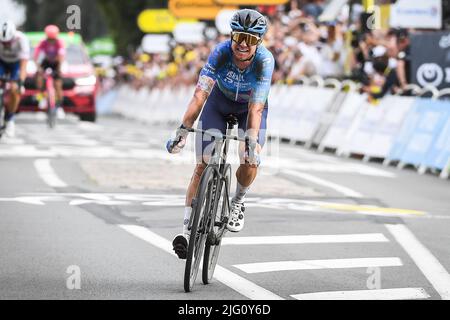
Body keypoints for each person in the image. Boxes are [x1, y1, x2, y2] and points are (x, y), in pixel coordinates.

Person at [166, 9, 275, 259]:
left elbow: (256, 107)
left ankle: (238, 201)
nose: (244, 45)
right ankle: (186, 230)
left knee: (249, 158)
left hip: (251, 108)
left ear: (259, 41)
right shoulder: (220, 52)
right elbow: (200, 94)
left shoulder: (265, 61)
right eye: (239, 37)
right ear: (231, 36)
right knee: (201, 165)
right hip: (219, 103)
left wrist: (250, 142)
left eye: (251, 39)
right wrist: (183, 129)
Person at [0, 21, 29, 137]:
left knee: (14, 89)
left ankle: (10, 118)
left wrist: (20, 82)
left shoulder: (21, 39)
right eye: (3, 42)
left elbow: (23, 65)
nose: (6, 45)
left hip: (16, 64)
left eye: (8, 42)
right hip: (1, 62)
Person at [34, 25, 66, 118]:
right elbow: (36, 55)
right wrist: (38, 68)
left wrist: (59, 69)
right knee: (39, 78)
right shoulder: (43, 42)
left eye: (53, 39)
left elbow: (61, 57)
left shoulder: (60, 43)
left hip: (56, 63)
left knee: (58, 85)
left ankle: (59, 107)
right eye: (49, 39)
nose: (51, 41)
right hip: (46, 61)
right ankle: (42, 98)